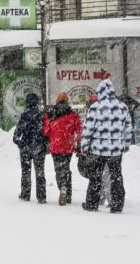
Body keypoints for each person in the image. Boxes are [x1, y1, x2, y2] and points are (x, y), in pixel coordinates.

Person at [80, 79, 133, 213]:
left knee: (96, 176)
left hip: (98, 149)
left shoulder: (95, 107)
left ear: (100, 92)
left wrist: (84, 147)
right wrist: (126, 145)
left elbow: (88, 129)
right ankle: (117, 205)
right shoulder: (122, 107)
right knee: (116, 176)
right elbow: (128, 129)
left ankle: (92, 204)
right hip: (116, 149)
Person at [43, 92, 83, 205]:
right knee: (66, 168)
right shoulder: (73, 115)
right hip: (68, 146)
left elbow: (46, 131)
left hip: (55, 146)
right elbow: (79, 131)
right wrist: (78, 143)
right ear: (67, 101)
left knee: (58, 169)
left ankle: (62, 187)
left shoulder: (50, 114)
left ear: (57, 101)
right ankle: (68, 192)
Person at [13, 93, 47, 203]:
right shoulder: (42, 115)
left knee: (26, 173)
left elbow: (17, 134)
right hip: (39, 148)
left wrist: (20, 143)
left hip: (26, 149)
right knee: (40, 173)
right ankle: (41, 197)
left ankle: (25, 195)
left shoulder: (24, 115)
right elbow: (46, 132)